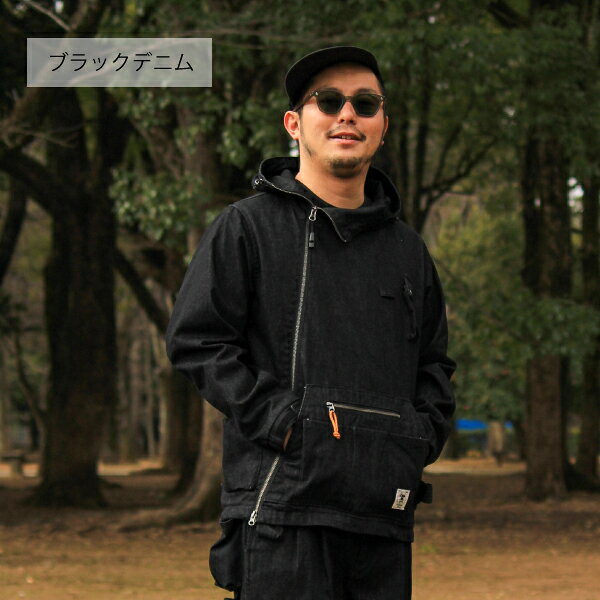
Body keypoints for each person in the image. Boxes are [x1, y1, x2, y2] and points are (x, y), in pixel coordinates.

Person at [166, 46, 456, 600]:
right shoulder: (246, 228)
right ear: (294, 124)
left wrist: (417, 440)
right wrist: (282, 423)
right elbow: (197, 340)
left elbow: (434, 364)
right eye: (328, 101)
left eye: (365, 104)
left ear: (383, 126)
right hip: (282, 512)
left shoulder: (408, 251)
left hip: (382, 516)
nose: (347, 114)